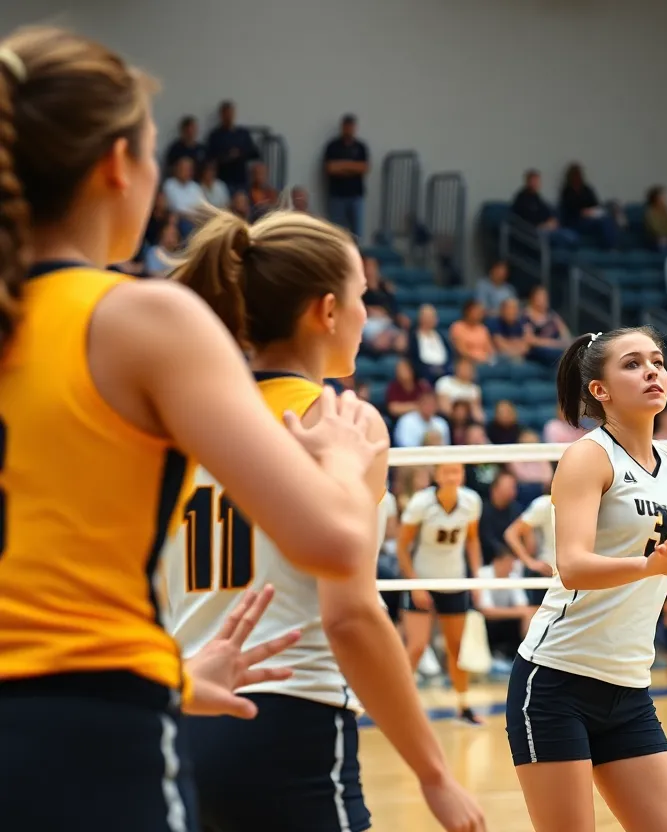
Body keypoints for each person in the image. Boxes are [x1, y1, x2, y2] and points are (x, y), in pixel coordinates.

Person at [0, 26, 387, 831]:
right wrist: (344, 461)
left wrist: (175, 674)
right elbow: (333, 544)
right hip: (90, 733)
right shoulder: (139, 320)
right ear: (118, 165)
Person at [162, 210, 484, 832]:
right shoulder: (343, 424)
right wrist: (434, 773)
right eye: (363, 297)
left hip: (185, 716)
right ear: (328, 311)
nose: (370, 314)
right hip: (292, 721)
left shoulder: (187, 421)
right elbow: (351, 615)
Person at [506, 327, 667, 832]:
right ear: (599, 390)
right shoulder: (587, 456)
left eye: (658, 361)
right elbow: (573, 565)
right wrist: (650, 567)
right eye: (633, 363)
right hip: (556, 683)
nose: (652, 372)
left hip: (628, 690)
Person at [397, 462, 485, 726]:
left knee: (457, 648)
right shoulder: (421, 504)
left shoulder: (471, 501)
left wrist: (476, 577)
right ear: (436, 475)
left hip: (454, 580)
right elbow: (402, 547)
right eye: (446, 471)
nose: (451, 477)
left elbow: (472, 540)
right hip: (422, 579)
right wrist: (415, 584)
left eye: (456, 471)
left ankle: (463, 707)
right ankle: (398, 706)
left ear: (462, 475)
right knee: (416, 647)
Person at [503, 485, 556, 606]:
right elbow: (511, 533)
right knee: (540, 621)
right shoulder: (545, 504)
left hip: (578, 573)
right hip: (548, 574)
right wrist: (530, 562)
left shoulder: (589, 502)